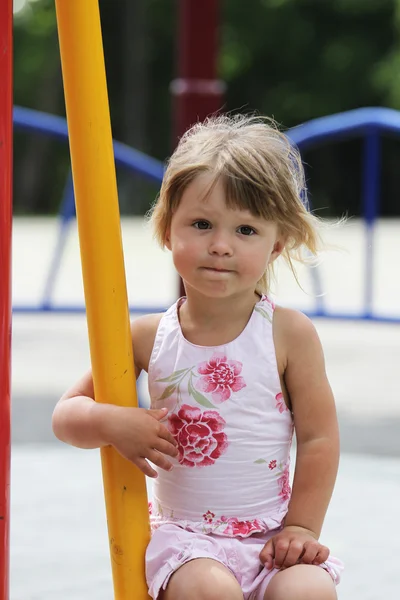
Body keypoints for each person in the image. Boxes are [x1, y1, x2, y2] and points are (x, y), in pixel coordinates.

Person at [52, 114, 344, 600]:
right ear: (168, 229)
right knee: (210, 589)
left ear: (278, 245)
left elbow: (318, 439)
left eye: (246, 230)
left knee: (308, 590)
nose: (221, 246)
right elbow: (66, 416)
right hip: (186, 541)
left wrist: (303, 530)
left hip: (271, 535)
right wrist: (112, 422)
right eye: (202, 224)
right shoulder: (149, 337)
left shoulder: (289, 334)